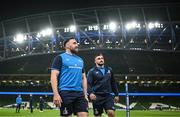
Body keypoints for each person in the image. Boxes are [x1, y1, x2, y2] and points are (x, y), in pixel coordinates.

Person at [50, 37, 88, 117]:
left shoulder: (80, 60)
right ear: (67, 45)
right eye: (74, 43)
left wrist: (85, 94)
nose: (77, 45)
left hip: (79, 93)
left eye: (76, 43)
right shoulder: (59, 58)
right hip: (65, 92)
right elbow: (54, 76)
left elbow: (83, 78)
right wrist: (56, 94)